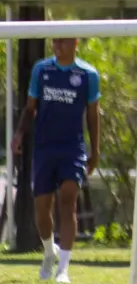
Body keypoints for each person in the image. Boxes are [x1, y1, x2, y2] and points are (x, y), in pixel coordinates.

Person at [11, 38, 101, 283]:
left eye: (63, 41)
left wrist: (95, 150)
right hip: (44, 147)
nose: (57, 46)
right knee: (42, 208)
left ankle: (63, 269)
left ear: (76, 43)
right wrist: (19, 134)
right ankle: (50, 252)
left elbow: (92, 115)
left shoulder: (87, 74)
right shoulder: (42, 70)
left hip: (72, 148)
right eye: (55, 41)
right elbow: (30, 108)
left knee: (69, 199)